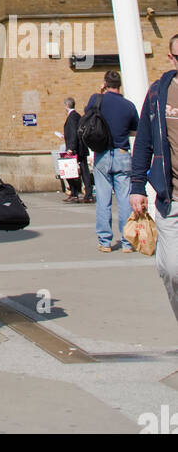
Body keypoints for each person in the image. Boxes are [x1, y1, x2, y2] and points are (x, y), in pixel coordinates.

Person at [130, 35, 178, 320]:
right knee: (171, 269)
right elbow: (144, 142)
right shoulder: (160, 93)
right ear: (171, 58)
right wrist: (137, 186)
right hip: (171, 198)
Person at [84, 69, 139, 252]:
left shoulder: (96, 99)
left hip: (102, 154)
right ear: (120, 85)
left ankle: (105, 241)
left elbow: (88, 115)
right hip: (122, 152)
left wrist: (100, 93)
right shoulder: (128, 106)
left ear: (105, 83)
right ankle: (127, 242)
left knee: (104, 198)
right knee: (124, 200)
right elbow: (135, 131)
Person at [61, 97, 93, 203]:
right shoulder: (77, 116)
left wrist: (71, 148)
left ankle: (78, 194)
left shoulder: (72, 117)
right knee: (82, 171)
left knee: (72, 171)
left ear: (66, 106)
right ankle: (82, 194)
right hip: (81, 148)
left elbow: (74, 133)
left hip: (76, 149)